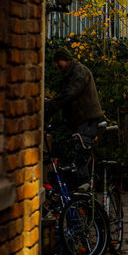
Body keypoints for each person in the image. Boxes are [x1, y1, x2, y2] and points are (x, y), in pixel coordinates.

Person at [44, 46, 105, 179]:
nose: (56, 66)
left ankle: (84, 189)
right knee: (77, 152)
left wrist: (51, 105)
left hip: (87, 119)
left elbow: (69, 93)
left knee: (80, 154)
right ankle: (81, 187)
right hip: (80, 119)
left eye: (58, 62)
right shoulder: (71, 73)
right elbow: (65, 94)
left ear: (65, 60)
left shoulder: (80, 72)